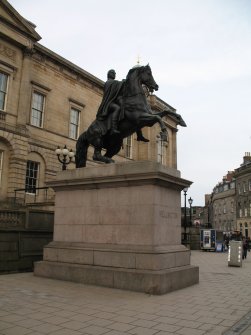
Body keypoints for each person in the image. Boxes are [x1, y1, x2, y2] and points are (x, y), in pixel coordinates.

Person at [96, 69, 149, 141]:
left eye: (114, 73)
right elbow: (118, 84)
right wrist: (126, 81)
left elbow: (118, 86)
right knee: (117, 108)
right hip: (108, 104)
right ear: (109, 74)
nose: (114, 74)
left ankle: (139, 135)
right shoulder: (109, 82)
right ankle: (113, 128)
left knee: (134, 115)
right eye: (113, 73)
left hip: (112, 101)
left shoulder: (113, 82)